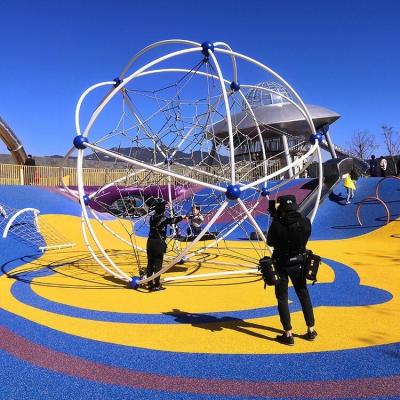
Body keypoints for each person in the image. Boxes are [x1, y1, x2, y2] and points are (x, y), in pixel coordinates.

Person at [266, 195, 316, 346]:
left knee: (282, 298)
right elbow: (306, 236)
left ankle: (288, 333)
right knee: (303, 295)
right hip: (300, 263)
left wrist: (276, 221)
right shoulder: (305, 222)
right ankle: (311, 329)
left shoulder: (277, 224)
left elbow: (270, 242)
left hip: (281, 263)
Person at [146, 200, 183, 291]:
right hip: (158, 243)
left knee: (150, 263)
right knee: (158, 264)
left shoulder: (152, 218)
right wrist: (181, 217)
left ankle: (149, 282)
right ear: (162, 210)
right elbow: (172, 220)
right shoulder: (163, 218)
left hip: (150, 242)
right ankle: (157, 284)